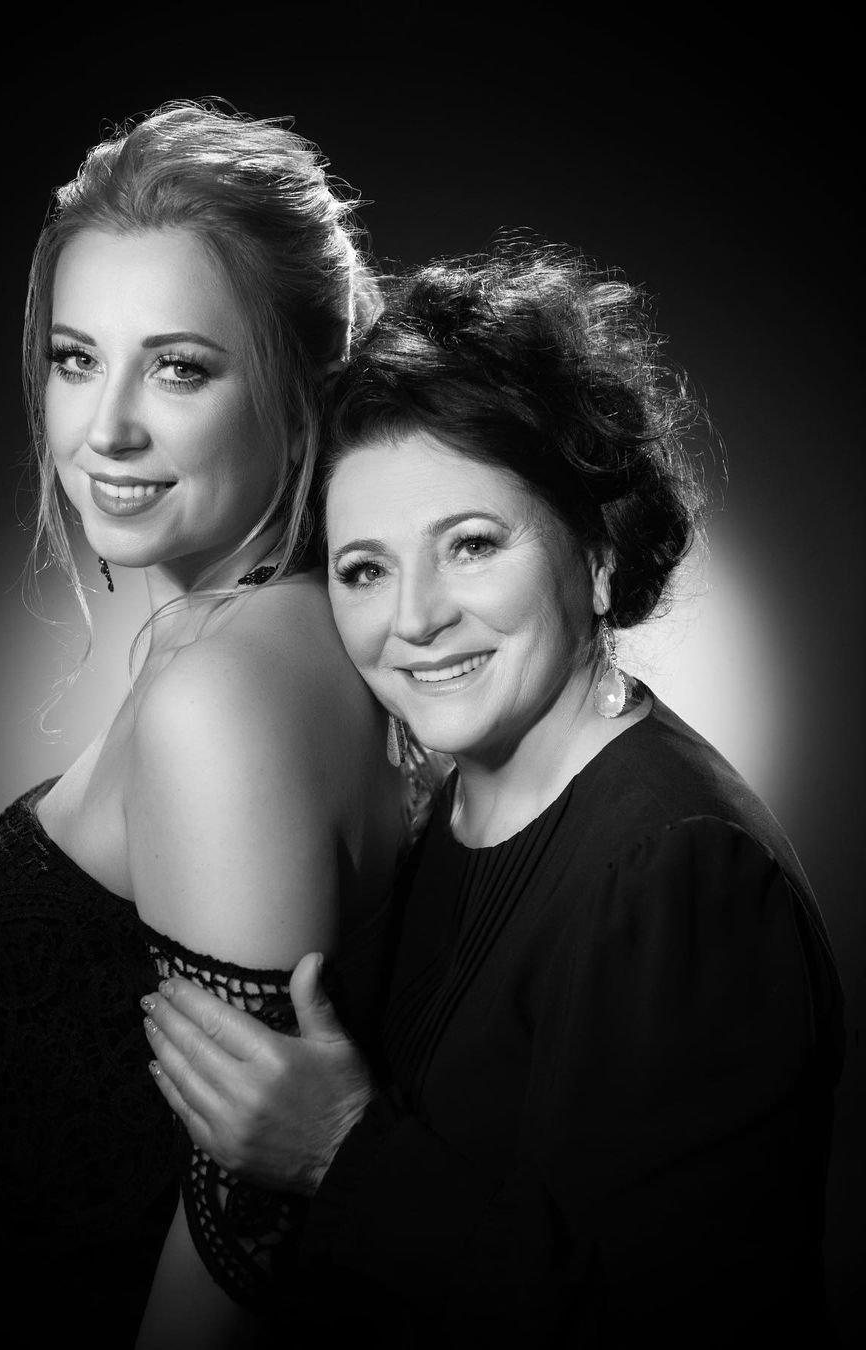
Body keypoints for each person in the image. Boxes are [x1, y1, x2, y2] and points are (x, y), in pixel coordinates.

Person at [140, 245, 847, 1347]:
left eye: (470, 545)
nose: (414, 618)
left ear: (599, 554)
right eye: (366, 569)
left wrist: (340, 1150)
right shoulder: (446, 810)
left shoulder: (683, 867)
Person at [0, 102, 408, 1349]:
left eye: (180, 367)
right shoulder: (246, 638)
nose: (107, 429)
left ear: (302, 390)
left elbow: (239, 1232)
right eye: (76, 358)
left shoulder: (228, 693)